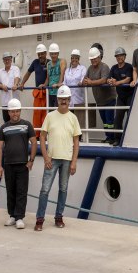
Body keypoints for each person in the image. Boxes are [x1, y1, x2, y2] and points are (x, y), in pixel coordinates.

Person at [34, 85, 81, 231]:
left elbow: (76, 141)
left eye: (66, 99)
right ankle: (39, 219)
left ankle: (58, 217)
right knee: (45, 190)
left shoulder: (73, 118)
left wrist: (74, 161)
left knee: (63, 189)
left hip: (67, 160)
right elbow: (42, 137)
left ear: (69, 100)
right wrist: (46, 157)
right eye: (61, 99)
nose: (63, 101)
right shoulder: (49, 116)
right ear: (57, 100)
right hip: (52, 159)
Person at [0, 98, 36, 230]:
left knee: (21, 191)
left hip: (23, 164)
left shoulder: (27, 125)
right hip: (8, 164)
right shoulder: (4, 128)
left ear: (20, 111)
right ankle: (12, 216)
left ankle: (20, 217)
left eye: (17, 111)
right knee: (10, 191)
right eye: (13, 112)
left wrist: (31, 161)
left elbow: (34, 142)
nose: (15, 114)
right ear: (8, 112)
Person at [83, 47, 116, 144]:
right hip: (100, 100)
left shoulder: (104, 67)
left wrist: (90, 82)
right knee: (105, 121)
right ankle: (108, 137)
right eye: (91, 59)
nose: (93, 60)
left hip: (109, 99)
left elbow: (103, 80)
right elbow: (85, 79)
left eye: (95, 58)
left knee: (109, 120)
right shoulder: (90, 68)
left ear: (99, 57)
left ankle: (112, 138)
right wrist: (83, 82)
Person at [19, 44, 49, 138]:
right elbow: (28, 73)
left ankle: (44, 135)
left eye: (42, 54)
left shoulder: (49, 62)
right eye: (38, 54)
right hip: (37, 93)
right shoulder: (35, 62)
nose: (40, 56)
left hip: (46, 93)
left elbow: (50, 77)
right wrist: (22, 83)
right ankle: (36, 135)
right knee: (37, 114)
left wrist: (44, 85)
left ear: (45, 53)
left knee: (45, 114)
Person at [107, 47, 134, 144]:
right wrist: (110, 81)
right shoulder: (114, 68)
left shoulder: (129, 67)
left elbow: (128, 79)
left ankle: (131, 139)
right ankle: (117, 139)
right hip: (120, 97)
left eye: (121, 56)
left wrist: (117, 82)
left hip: (130, 96)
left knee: (131, 117)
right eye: (117, 56)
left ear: (125, 56)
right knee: (118, 117)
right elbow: (108, 79)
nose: (119, 58)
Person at [63, 49, 87, 129]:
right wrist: (58, 85)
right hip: (69, 100)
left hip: (78, 99)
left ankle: (79, 138)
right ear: (71, 59)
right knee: (69, 121)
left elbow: (83, 79)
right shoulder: (67, 70)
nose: (74, 59)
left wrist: (81, 82)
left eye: (76, 58)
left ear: (78, 59)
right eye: (72, 58)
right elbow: (64, 82)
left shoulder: (82, 68)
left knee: (78, 121)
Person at [0, 52, 21, 123]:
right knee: (6, 120)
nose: (7, 61)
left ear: (11, 60)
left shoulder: (15, 68)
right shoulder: (0, 71)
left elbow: (17, 77)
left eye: (8, 59)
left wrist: (15, 85)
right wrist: (2, 86)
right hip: (5, 102)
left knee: (16, 119)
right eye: (5, 60)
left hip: (15, 100)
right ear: (3, 61)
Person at [47, 43, 66, 109]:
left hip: (59, 92)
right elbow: (48, 77)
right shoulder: (48, 64)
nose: (53, 55)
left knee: (58, 111)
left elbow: (62, 73)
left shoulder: (62, 61)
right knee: (50, 112)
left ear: (58, 53)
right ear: (49, 54)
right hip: (50, 92)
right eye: (52, 54)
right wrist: (44, 85)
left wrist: (59, 84)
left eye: (55, 53)